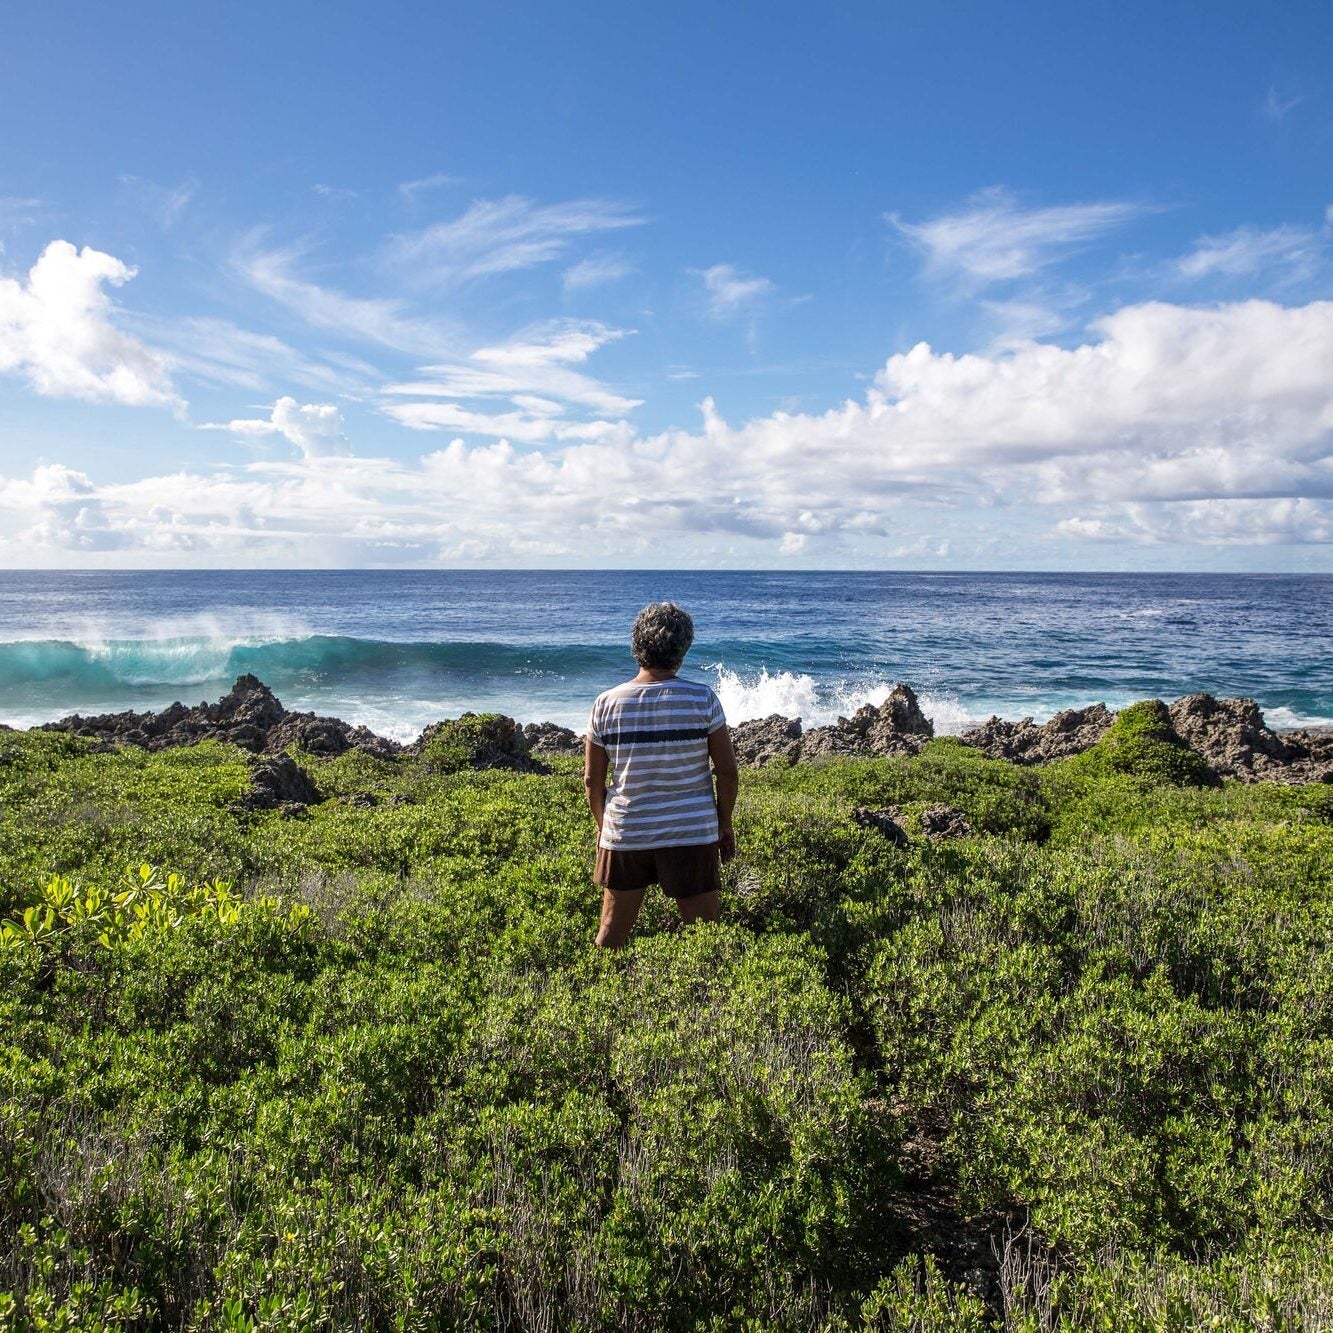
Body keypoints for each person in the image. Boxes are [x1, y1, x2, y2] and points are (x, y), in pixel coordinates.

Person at [583, 602, 738, 948]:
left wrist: (604, 827)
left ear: (637, 645)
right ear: (683, 649)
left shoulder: (606, 703)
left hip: (627, 830)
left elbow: (593, 781)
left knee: (610, 934)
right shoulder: (703, 699)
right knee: (705, 938)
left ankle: (602, 996)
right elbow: (726, 772)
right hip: (691, 831)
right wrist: (723, 824)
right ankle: (709, 1001)